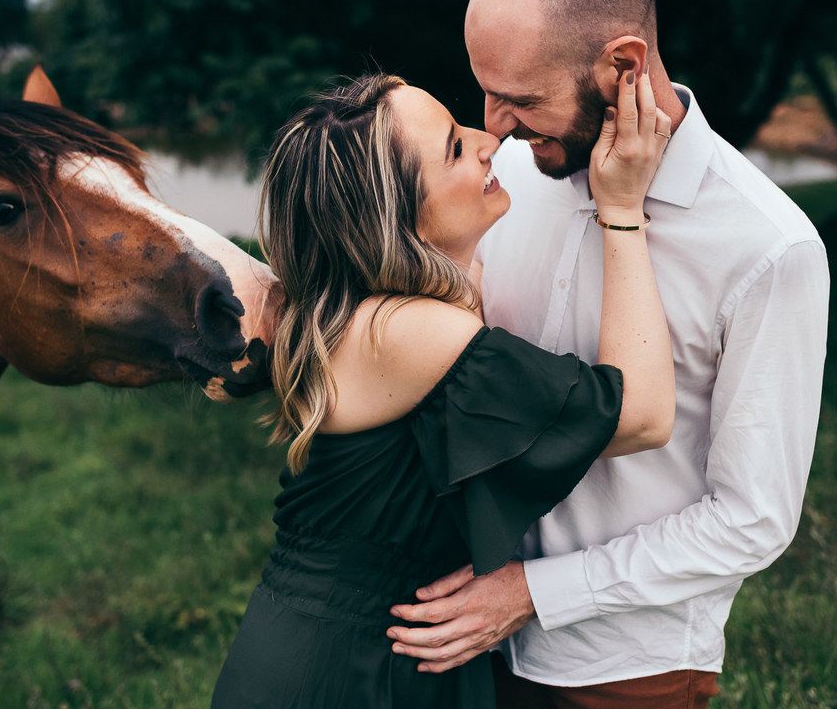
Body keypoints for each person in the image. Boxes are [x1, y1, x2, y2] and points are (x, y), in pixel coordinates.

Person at [386, 0, 830, 709]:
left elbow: (754, 519)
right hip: (460, 646)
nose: (493, 127)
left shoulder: (769, 247)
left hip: (622, 671)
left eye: (519, 98)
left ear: (623, 65)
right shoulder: (508, 178)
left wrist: (532, 593)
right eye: (486, 91)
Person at [210, 69, 676, 708]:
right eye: (455, 147)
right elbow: (642, 416)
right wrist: (621, 210)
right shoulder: (404, 330)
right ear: (395, 217)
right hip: (351, 669)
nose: (489, 140)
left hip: (346, 646)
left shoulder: (364, 313)